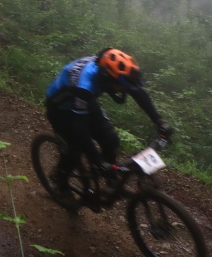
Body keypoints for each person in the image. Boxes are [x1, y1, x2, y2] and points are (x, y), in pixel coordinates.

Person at [45, 48, 173, 187]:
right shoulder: (85, 84)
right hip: (60, 109)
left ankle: (106, 175)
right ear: (107, 78)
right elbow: (79, 128)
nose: (123, 90)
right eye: (120, 87)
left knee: (110, 139)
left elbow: (137, 92)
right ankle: (59, 181)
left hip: (85, 101)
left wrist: (159, 122)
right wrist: (99, 161)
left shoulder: (111, 74)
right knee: (75, 148)